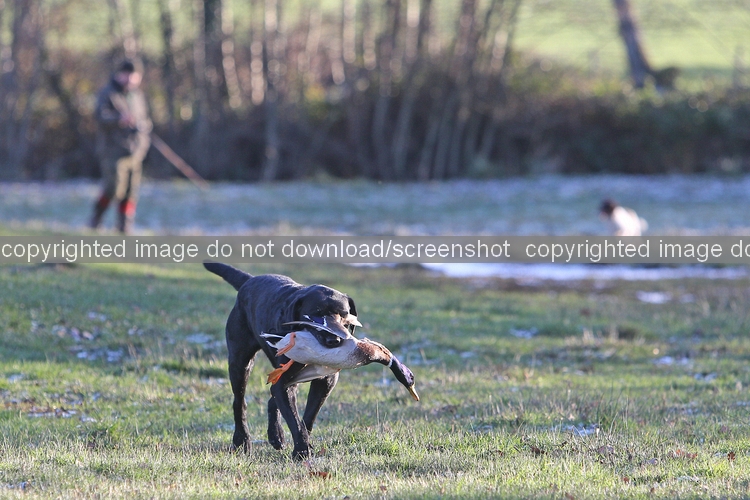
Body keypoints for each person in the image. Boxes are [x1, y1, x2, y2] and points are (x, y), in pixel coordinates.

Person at [89, 60, 152, 234]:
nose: (130, 79)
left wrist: (143, 132)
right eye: (127, 75)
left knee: (131, 192)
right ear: (119, 74)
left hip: (135, 151)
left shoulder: (137, 96)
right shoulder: (108, 93)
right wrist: (119, 120)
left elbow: (144, 119)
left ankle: (124, 227)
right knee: (113, 188)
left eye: (134, 76)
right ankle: (96, 219)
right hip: (112, 150)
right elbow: (100, 117)